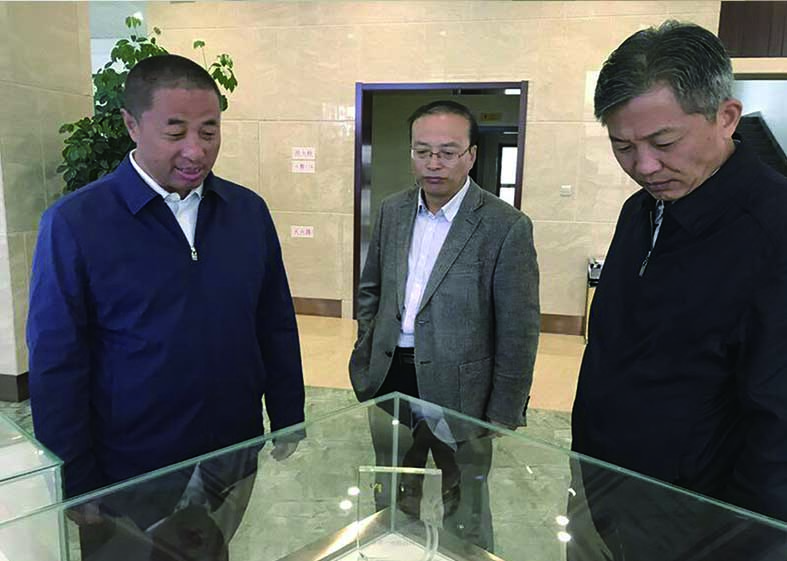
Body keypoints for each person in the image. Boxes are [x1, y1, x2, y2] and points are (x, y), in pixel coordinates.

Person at [27, 54, 305, 557]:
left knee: (212, 551)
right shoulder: (76, 222)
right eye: (175, 132)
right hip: (131, 464)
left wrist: (287, 413)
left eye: (209, 131)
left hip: (230, 450)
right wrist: (75, 476)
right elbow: (56, 360)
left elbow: (274, 321)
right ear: (132, 125)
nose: (196, 151)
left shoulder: (246, 212)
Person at [569, 21, 787, 560]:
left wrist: (747, 546)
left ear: (725, 117)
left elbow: (777, 430)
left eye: (664, 143)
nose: (644, 167)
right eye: (623, 146)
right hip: (604, 490)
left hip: (697, 524)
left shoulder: (773, 228)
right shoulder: (640, 210)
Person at [349, 100, 540, 551]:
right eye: (423, 151)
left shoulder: (505, 226)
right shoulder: (393, 211)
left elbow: (519, 328)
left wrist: (504, 409)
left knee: (465, 498)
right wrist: (367, 347)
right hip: (391, 374)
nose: (433, 163)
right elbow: (371, 288)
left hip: (463, 388)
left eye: (448, 152)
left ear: (471, 155)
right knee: (392, 487)